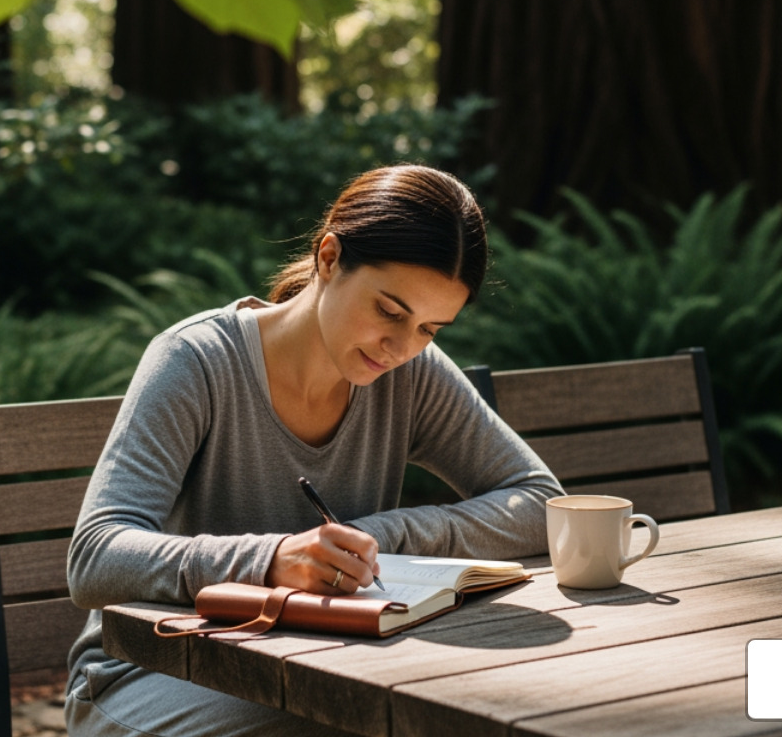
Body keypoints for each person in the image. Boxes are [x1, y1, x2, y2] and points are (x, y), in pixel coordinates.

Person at [65, 165, 564, 736]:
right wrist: (270, 561)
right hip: (156, 670)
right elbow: (95, 557)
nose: (403, 347)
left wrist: (382, 539)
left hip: (328, 662)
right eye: (390, 312)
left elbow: (539, 503)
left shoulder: (411, 374)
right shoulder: (196, 360)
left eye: (431, 328)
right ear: (329, 258)